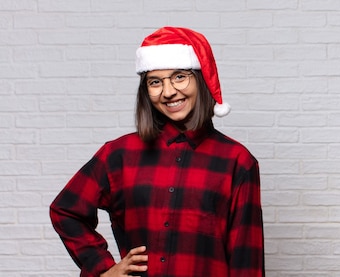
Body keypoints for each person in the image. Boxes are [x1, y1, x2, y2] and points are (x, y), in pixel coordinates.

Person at [49, 26, 264, 277]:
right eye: (155, 82)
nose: (169, 91)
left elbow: (246, 261)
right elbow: (65, 210)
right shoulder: (118, 154)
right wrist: (103, 269)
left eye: (179, 77)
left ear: (201, 78)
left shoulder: (237, 162)